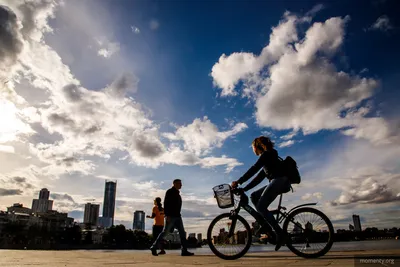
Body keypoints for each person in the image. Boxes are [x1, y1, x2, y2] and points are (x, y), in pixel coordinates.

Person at [231, 136, 291, 251]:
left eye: (253, 147)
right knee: (254, 196)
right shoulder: (269, 158)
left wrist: (239, 181)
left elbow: (254, 169)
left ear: (257, 146)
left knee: (261, 207)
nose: (252, 150)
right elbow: (258, 178)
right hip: (278, 181)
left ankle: (280, 234)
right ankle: (265, 224)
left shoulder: (267, 154)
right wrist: (244, 189)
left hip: (280, 181)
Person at [150, 179, 194, 256]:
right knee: (165, 232)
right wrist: (166, 215)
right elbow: (166, 203)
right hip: (171, 216)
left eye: (181, 183)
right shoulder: (170, 191)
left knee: (182, 233)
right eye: (179, 183)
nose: (181, 185)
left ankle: (184, 251)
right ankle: (154, 247)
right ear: (174, 184)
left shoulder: (177, 193)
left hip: (178, 216)